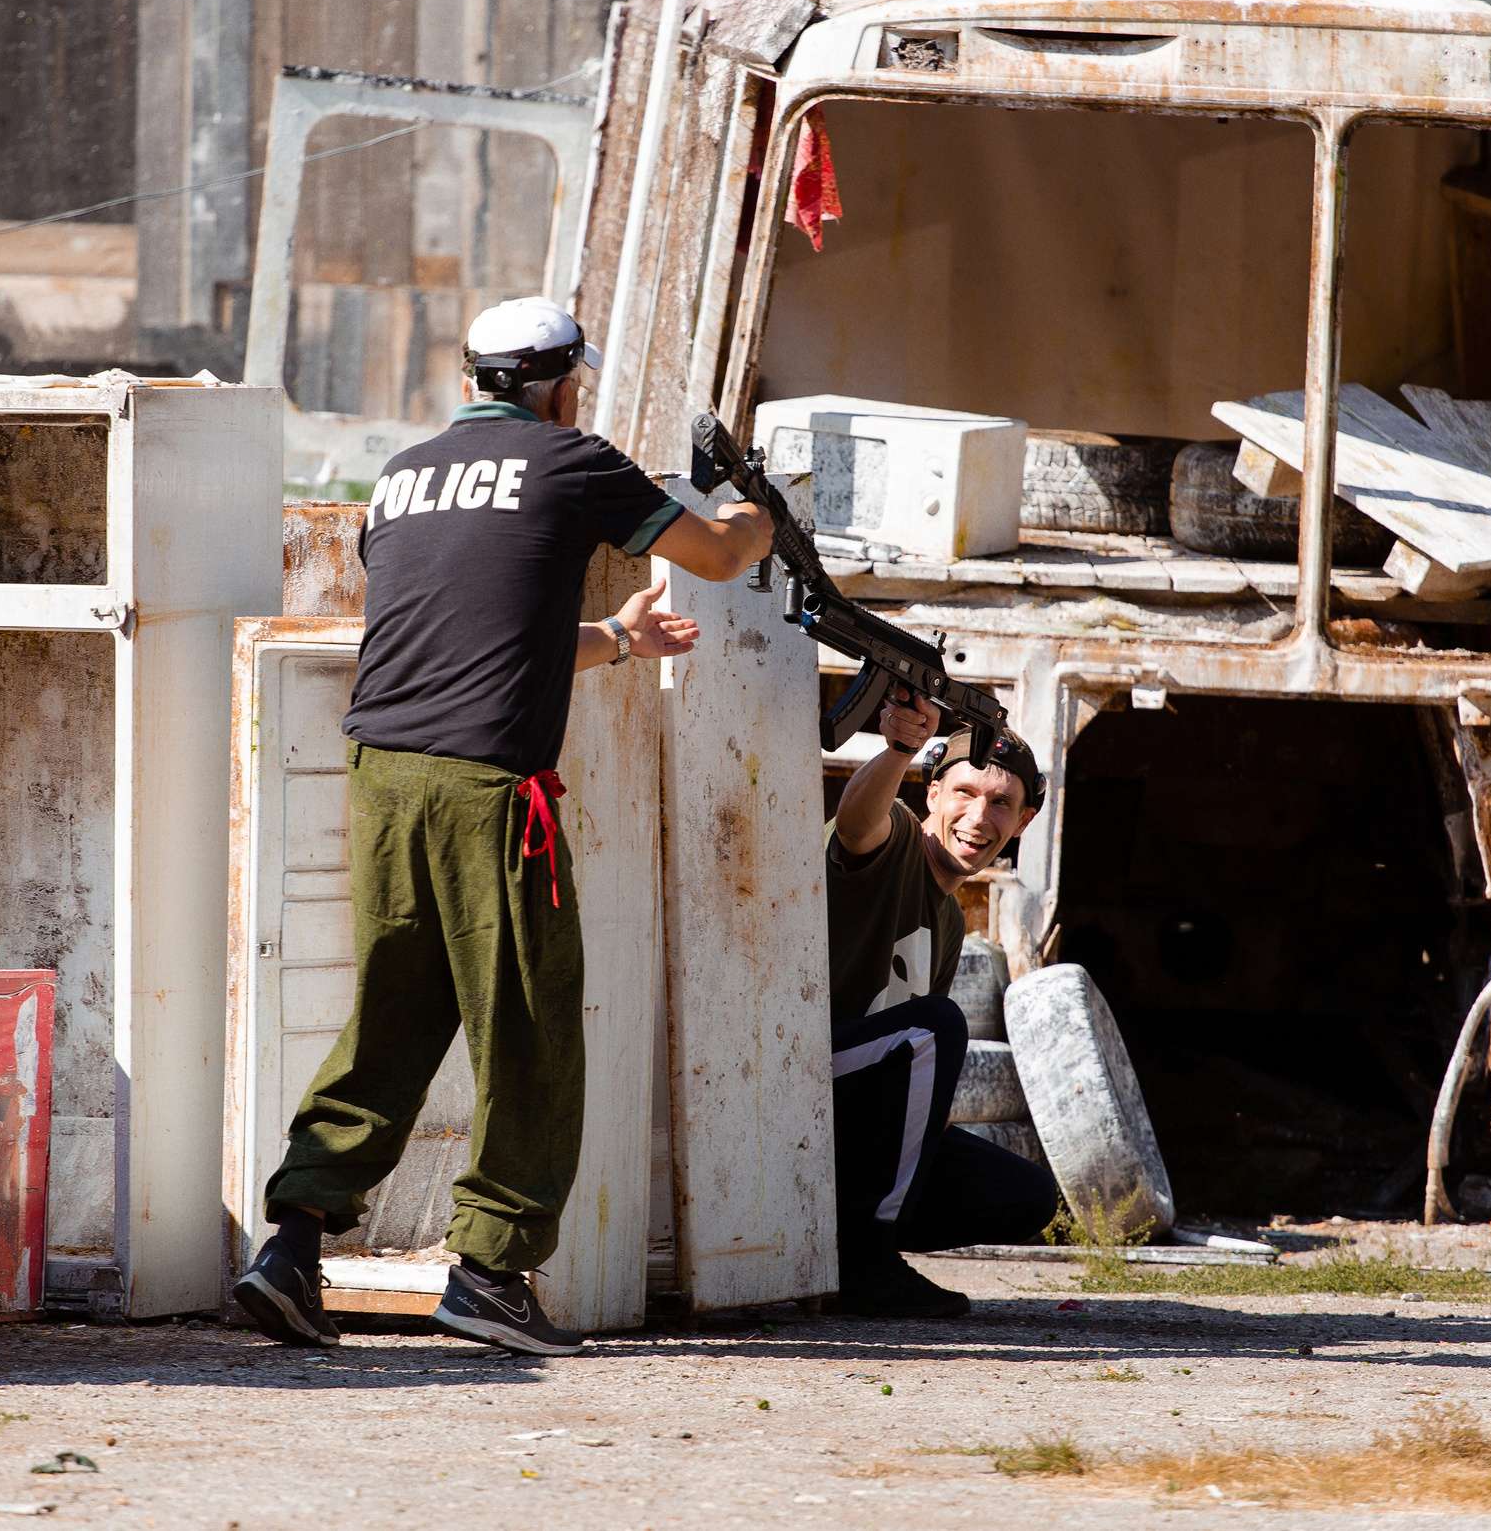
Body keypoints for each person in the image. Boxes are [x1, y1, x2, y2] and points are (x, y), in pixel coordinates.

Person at [235, 296, 774, 1358]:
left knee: (393, 1015)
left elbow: (482, 632)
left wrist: (616, 638)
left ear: (473, 377)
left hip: (383, 778)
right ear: (560, 385)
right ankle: (490, 1272)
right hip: (488, 788)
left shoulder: (403, 476)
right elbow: (716, 554)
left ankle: (290, 1246)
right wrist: (759, 514)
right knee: (528, 1023)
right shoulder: (573, 461)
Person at [825, 687, 1061, 1318]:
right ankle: (864, 1265)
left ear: (1023, 822)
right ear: (931, 795)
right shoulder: (896, 840)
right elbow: (856, 824)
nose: (979, 817)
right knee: (934, 1026)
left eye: (1001, 803)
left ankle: (833, 1236)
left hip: (854, 1113)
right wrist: (898, 749)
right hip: (794, 1073)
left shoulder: (950, 922)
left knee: (1028, 1195)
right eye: (964, 793)